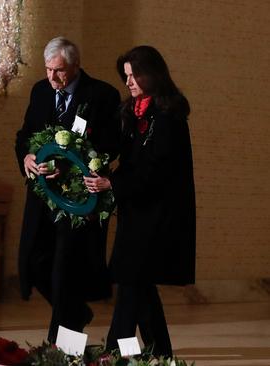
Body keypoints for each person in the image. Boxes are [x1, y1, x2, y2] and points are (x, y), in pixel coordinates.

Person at [84, 45, 195, 357]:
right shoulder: (133, 111)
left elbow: (156, 170)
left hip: (158, 215)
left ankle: (111, 354)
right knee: (140, 286)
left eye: (133, 75)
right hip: (136, 212)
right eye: (126, 76)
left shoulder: (169, 115)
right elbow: (116, 148)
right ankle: (162, 356)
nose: (128, 82)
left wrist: (112, 182)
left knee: (132, 283)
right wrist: (86, 153)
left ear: (151, 74)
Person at [14, 36, 121, 342]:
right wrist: (27, 156)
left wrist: (75, 165)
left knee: (65, 272)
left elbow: (111, 145)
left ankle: (59, 345)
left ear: (75, 66)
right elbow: (24, 135)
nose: (52, 77)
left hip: (78, 200)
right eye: (48, 69)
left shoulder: (102, 95)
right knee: (33, 264)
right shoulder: (39, 91)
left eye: (59, 70)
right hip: (42, 196)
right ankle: (75, 312)